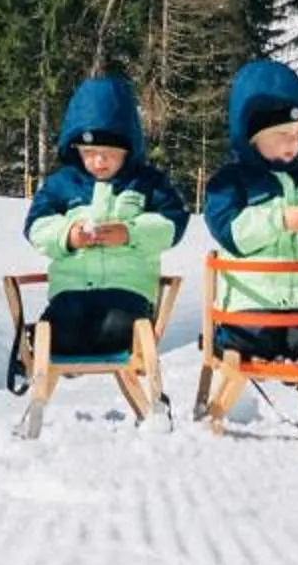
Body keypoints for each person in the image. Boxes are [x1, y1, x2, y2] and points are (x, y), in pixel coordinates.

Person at [20, 74, 190, 369]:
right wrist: (67, 236)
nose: (99, 162)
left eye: (109, 154)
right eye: (90, 154)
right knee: (63, 329)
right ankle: (46, 348)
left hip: (128, 291)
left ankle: (84, 346)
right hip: (70, 291)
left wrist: (130, 233)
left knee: (117, 329)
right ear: (76, 149)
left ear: (128, 148)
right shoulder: (62, 184)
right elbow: (36, 227)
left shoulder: (147, 182)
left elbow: (172, 224)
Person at [199, 59, 298, 363]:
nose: (293, 143)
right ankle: (234, 349)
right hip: (252, 302)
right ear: (252, 136)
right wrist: (279, 220)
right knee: (254, 341)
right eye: (282, 134)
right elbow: (231, 233)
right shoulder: (231, 182)